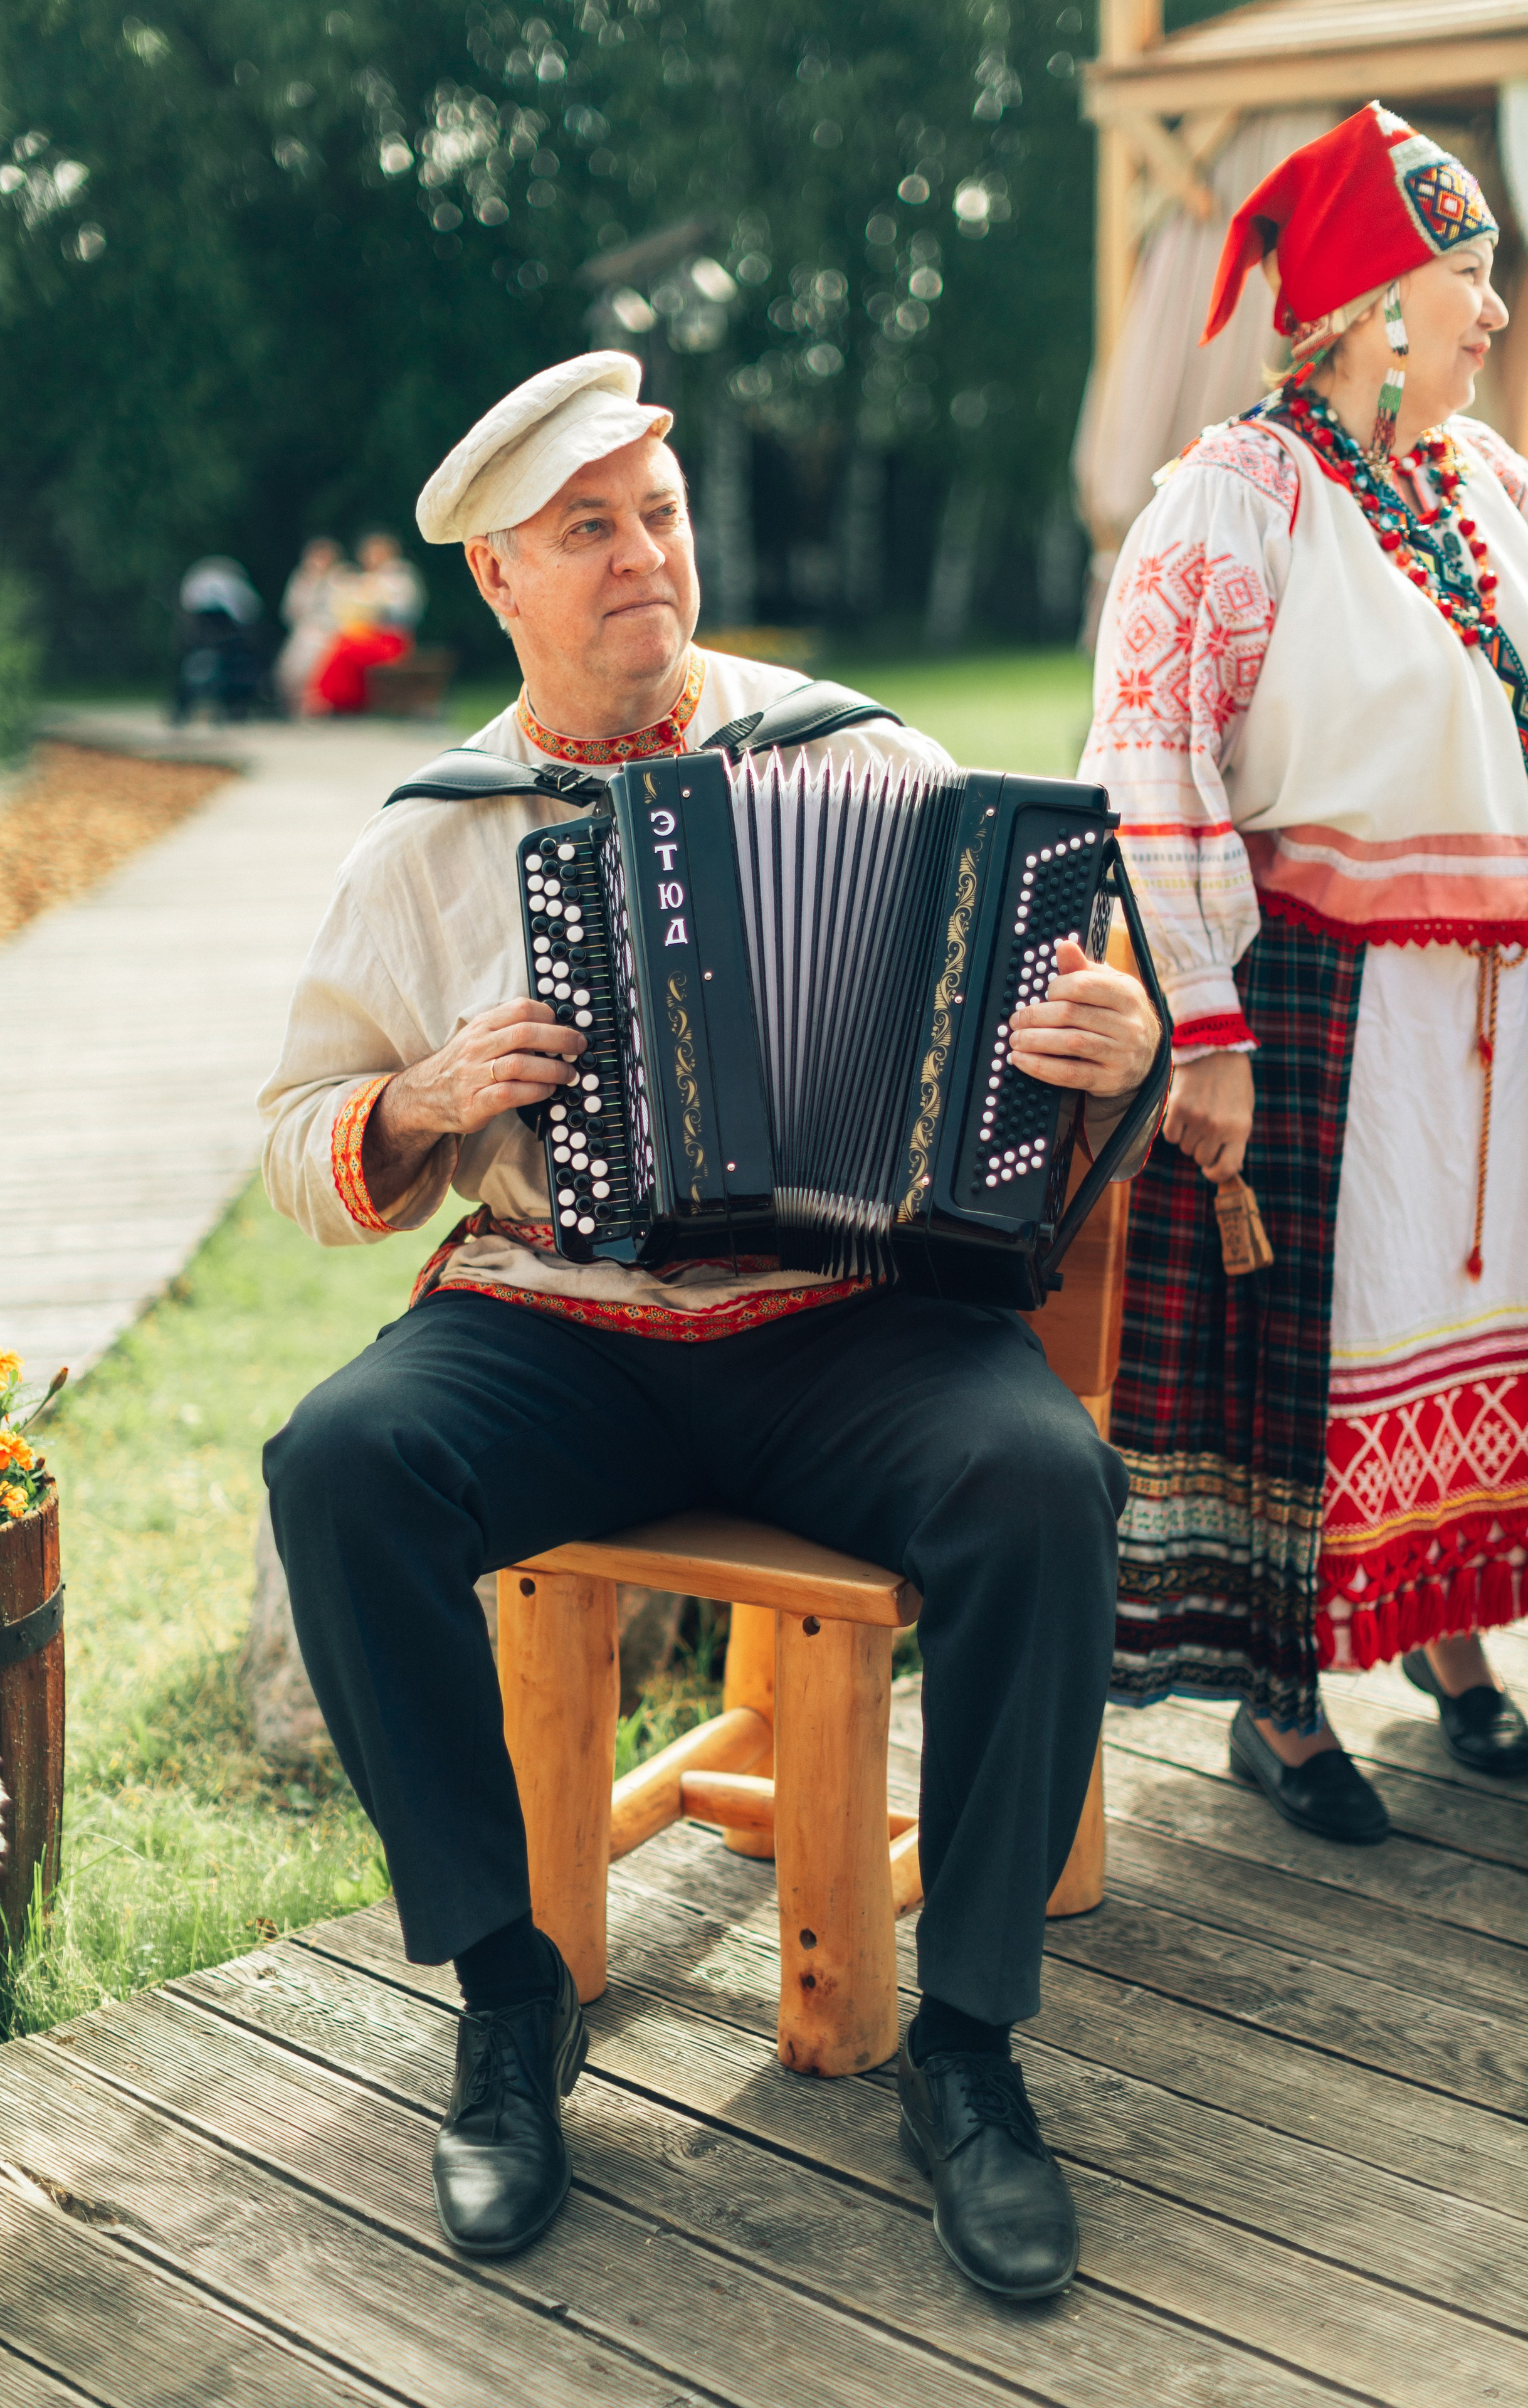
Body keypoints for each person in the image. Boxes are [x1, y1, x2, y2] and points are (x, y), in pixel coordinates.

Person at [259, 352, 1166, 2294]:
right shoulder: (426, 839)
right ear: (499, 577)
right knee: (339, 1461)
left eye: (656, 516)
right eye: (586, 530)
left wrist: (1115, 1044)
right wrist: (417, 1102)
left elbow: (1049, 1036)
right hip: (559, 1323)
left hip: (841, 1325)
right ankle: (509, 1999)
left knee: (1039, 1481)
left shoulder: (862, 757)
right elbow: (294, 1138)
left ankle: (968, 2045)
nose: (639, 557)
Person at [1083, 105, 1528, 1844]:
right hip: (1312, 1001)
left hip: (1482, 1014)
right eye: (1464, 277)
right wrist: (1200, 1020)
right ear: (1369, 306)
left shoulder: (1483, 486)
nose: (1493, 312)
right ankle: (1278, 1700)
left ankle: (1448, 1632)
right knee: (1312, 1348)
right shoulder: (1239, 494)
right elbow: (1152, 759)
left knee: (1465, 1323)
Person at [311, 529, 427, 714]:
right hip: (370, 636)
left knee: (344, 649)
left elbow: (406, 613)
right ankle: (339, 700)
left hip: (393, 639)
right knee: (338, 643)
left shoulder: (400, 577)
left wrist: (377, 609)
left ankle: (341, 701)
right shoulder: (366, 578)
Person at [170, 555, 267, 724]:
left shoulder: (198, 588)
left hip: (207, 641)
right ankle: (234, 704)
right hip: (227, 643)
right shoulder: (234, 588)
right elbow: (247, 616)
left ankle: (187, 706)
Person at [275, 536, 347, 714]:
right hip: (304, 630)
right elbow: (290, 610)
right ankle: (294, 703)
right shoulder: (301, 579)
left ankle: (317, 704)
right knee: (294, 661)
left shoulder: (342, 578)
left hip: (333, 630)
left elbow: (346, 609)